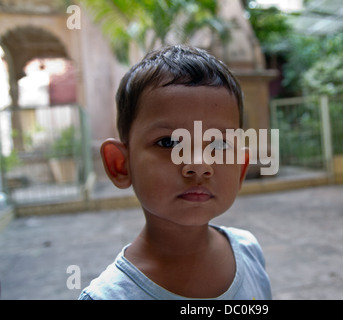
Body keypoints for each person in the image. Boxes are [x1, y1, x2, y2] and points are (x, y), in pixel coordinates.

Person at [79, 45, 272, 300]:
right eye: (169, 143)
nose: (199, 164)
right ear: (121, 165)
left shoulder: (249, 252)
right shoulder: (109, 297)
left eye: (219, 144)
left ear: (241, 168)